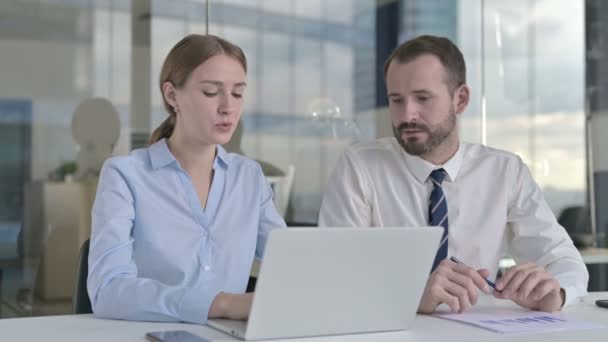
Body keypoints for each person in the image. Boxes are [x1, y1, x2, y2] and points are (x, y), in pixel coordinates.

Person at [318, 35, 588, 314]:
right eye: (396, 100)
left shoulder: (504, 171)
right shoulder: (361, 167)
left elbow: (564, 259)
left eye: (422, 98)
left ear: (460, 99)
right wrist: (409, 296)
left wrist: (555, 291)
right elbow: (331, 275)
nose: (407, 114)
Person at [87, 34, 286, 324]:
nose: (228, 107)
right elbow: (108, 291)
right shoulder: (124, 175)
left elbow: (291, 264)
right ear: (172, 96)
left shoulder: (249, 177)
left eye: (238, 93)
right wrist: (223, 304)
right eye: (210, 92)